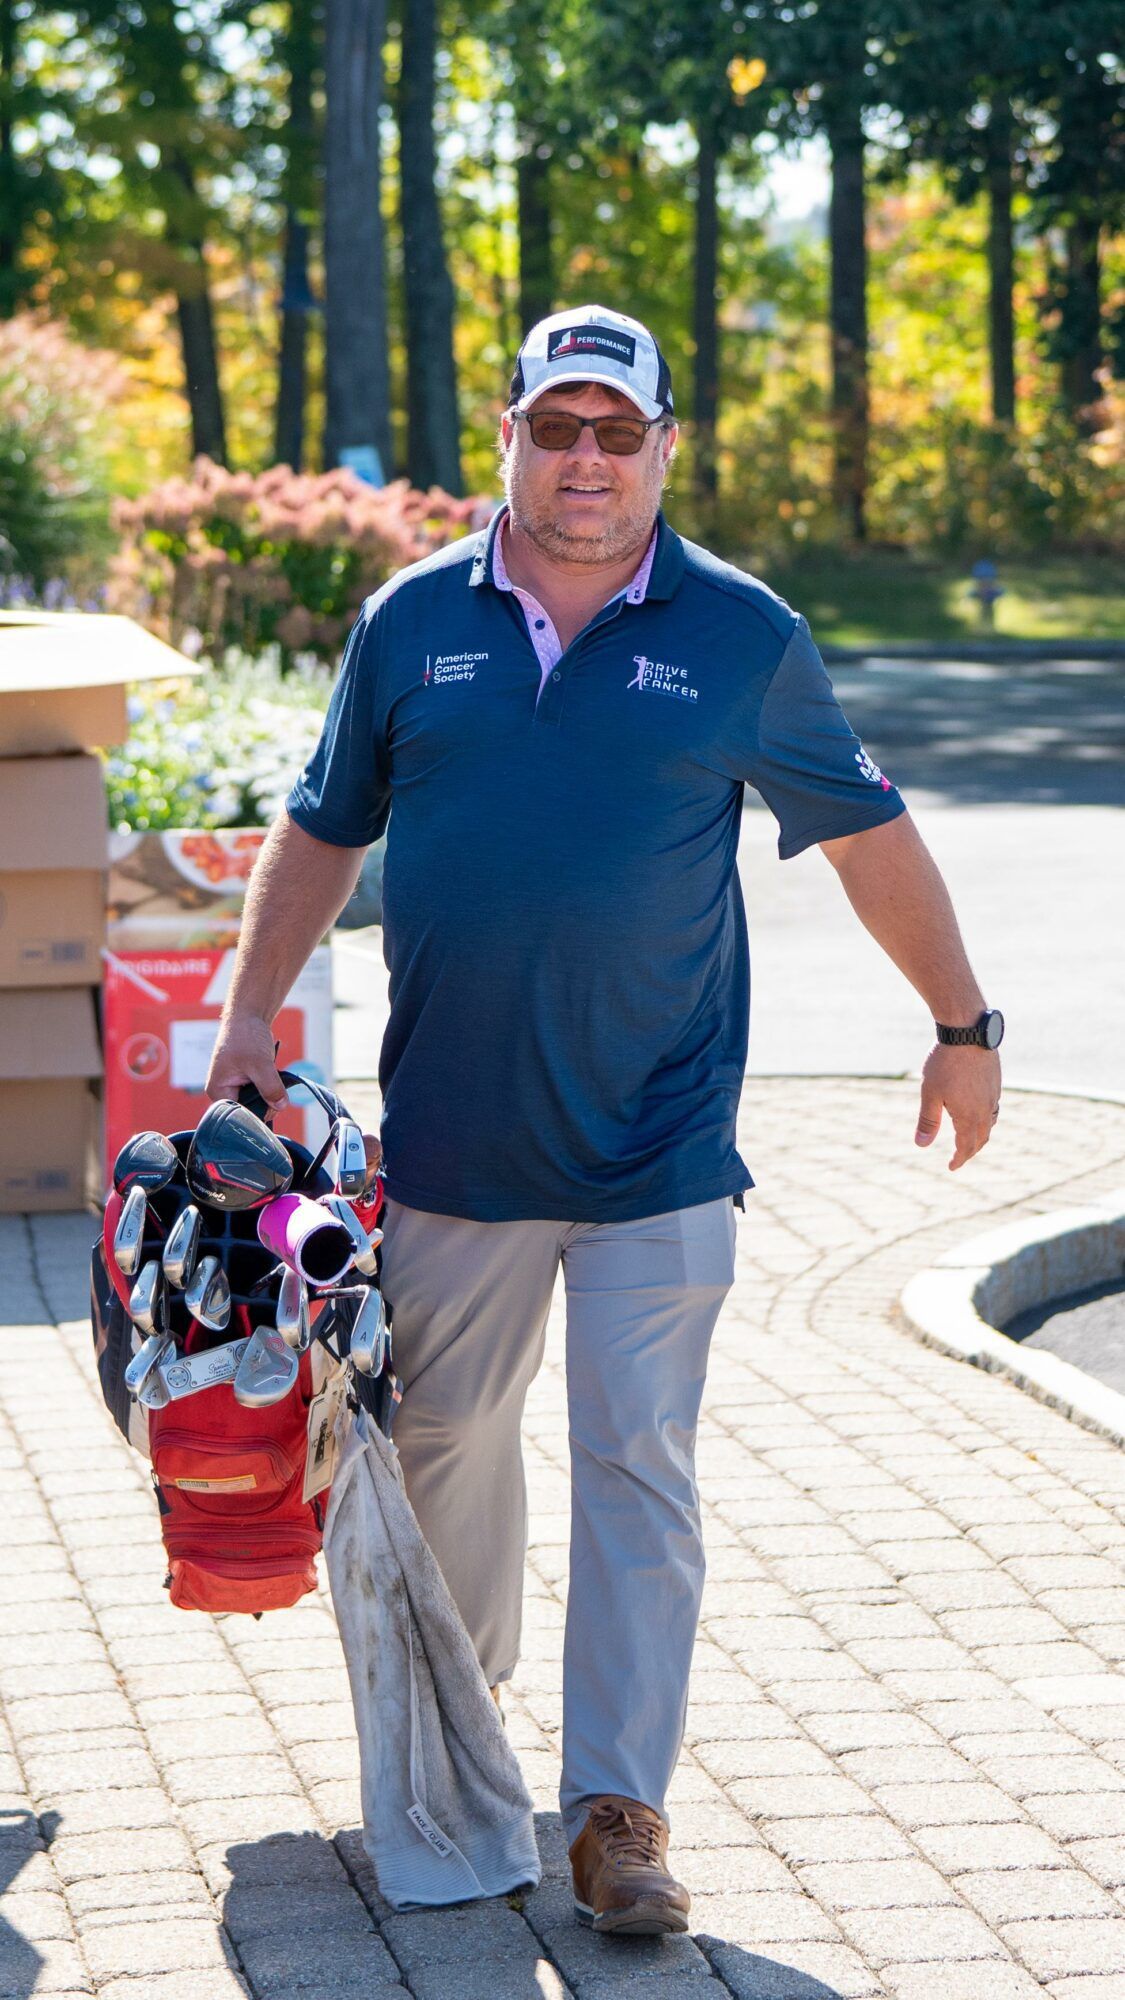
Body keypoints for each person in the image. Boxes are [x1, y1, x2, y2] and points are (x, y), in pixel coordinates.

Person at [206, 304, 1003, 1938]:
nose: (584, 460)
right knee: (442, 1449)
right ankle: (462, 1746)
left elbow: (864, 837)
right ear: (505, 433)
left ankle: (618, 1814)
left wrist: (960, 1025)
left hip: (658, 1144)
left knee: (638, 1461)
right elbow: (318, 829)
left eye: (614, 432)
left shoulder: (740, 634)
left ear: (659, 449)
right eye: (555, 427)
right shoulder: (411, 620)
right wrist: (240, 1017)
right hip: (453, 1143)